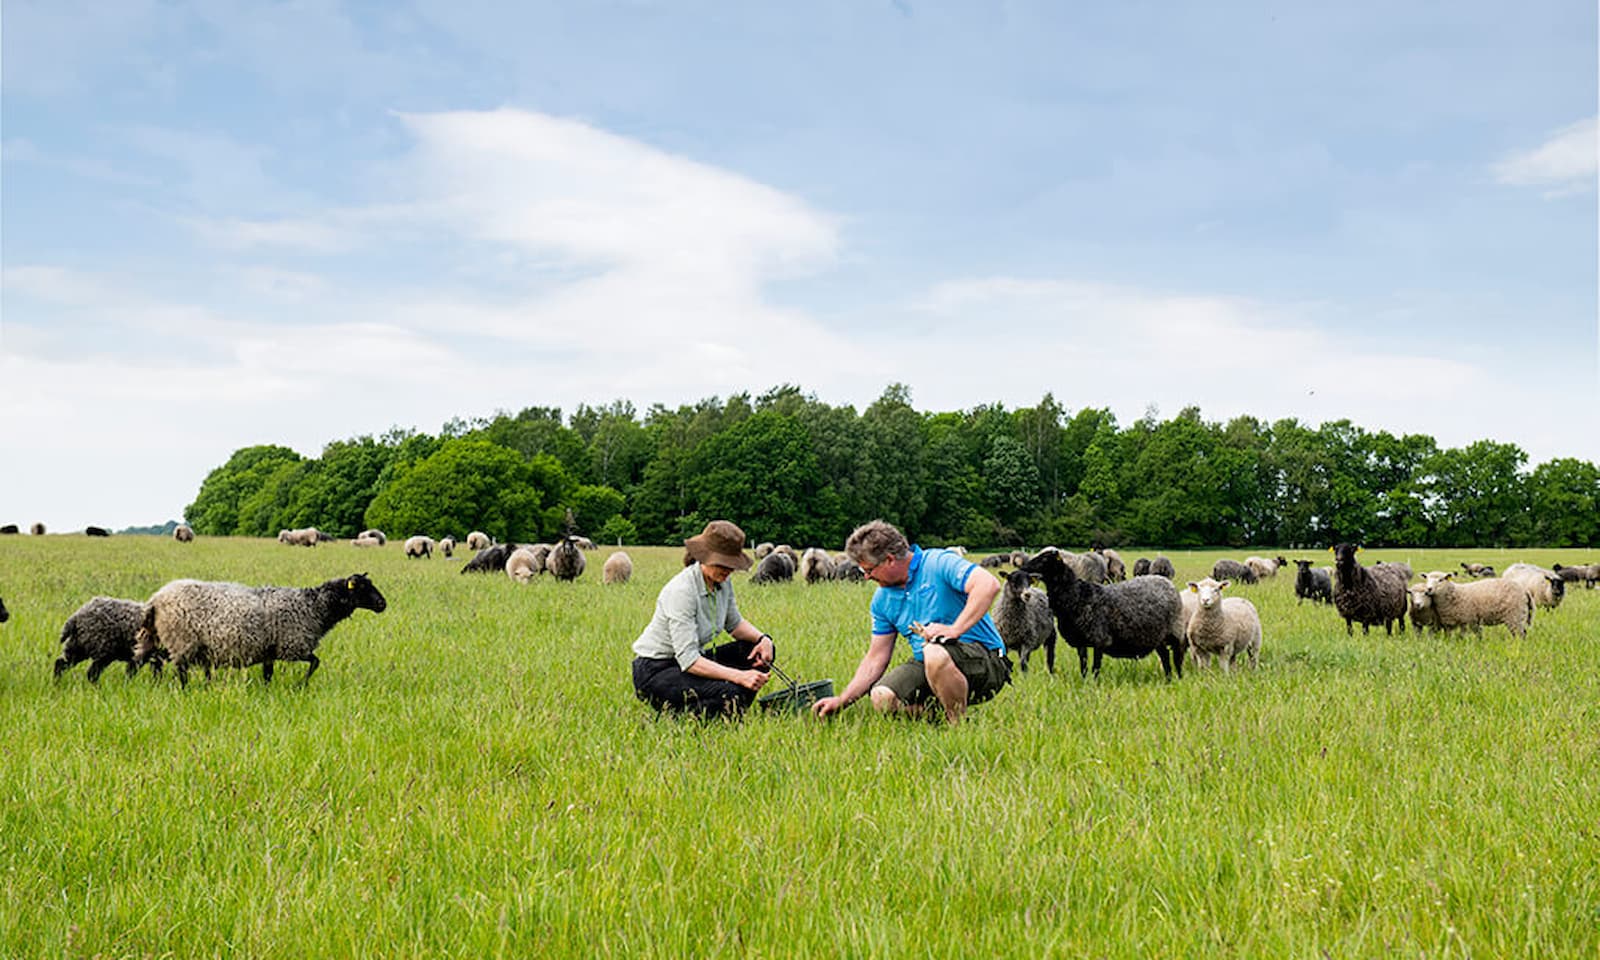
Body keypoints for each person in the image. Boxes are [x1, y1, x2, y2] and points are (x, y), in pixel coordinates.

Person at [812, 519, 1010, 725]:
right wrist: (843, 700)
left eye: (869, 570)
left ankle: (957, 725)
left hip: (987, 661)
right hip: (931, 665)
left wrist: (955, 629)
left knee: (934, 652)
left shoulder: (938, 563)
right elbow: (876, 657)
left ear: (889, 560)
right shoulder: (882, 600)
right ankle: (944, 717)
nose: (867, 577)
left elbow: (988, 584)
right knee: (881, 697)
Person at [631, 519, 775, 716]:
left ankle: (732, 708)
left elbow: (734, 624)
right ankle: (685, 715)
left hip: (693, 660)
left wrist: (763, 639)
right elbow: (688, 659)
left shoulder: (723, 582)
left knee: (755, 650)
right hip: (658, 670)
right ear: (704, 556)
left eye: (731, 564)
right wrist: (739, 677)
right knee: (729, 693)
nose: (728, 569)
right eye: (722, 563)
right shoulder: (682, 591)